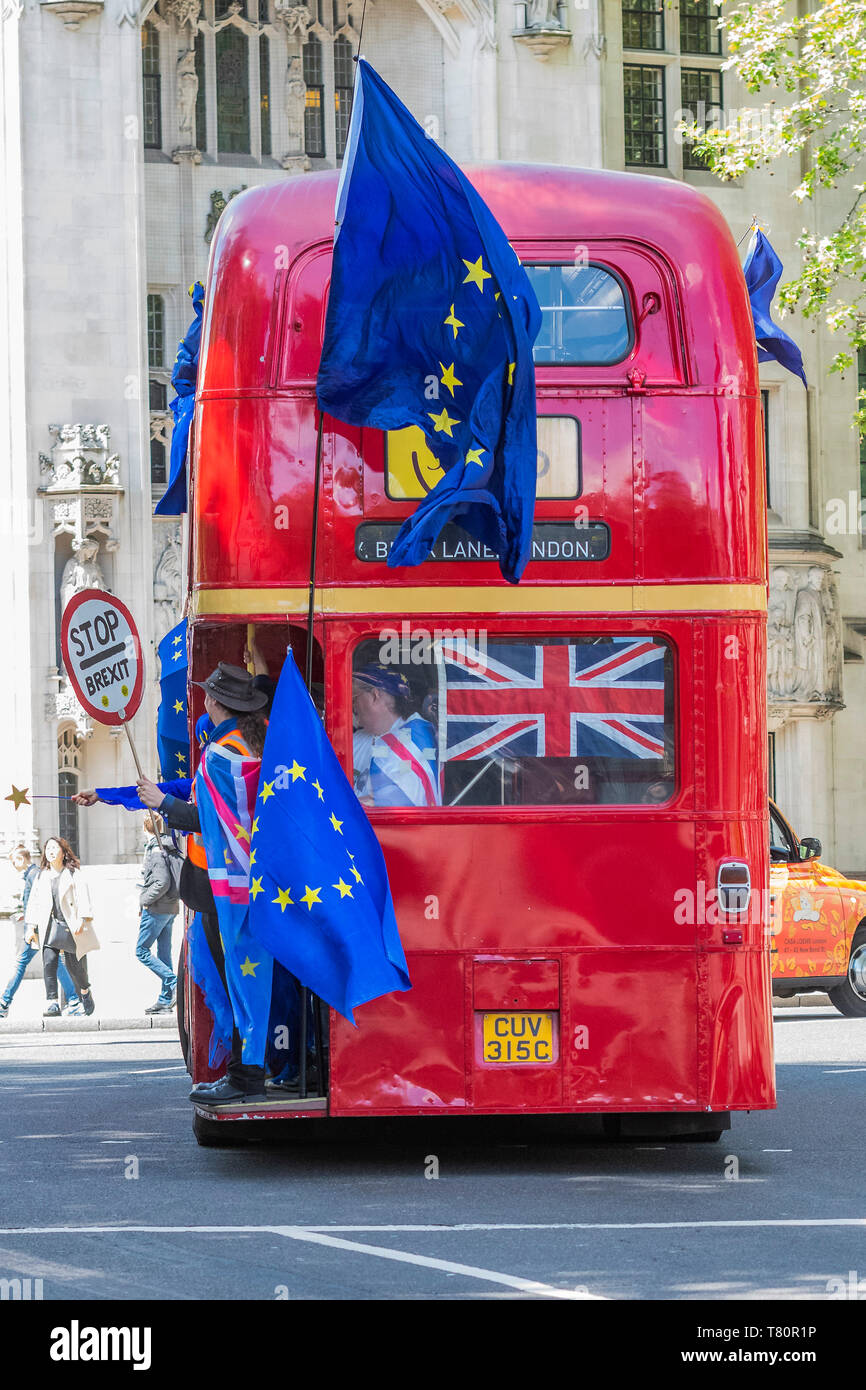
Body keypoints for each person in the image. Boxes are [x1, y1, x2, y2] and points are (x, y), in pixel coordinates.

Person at [138, 662, 269, 1105]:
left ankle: (245, 1075)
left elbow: (211, 822)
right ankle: (249, 1068)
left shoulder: (220, 755)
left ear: (215, 703)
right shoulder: (251, 741)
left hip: (224, 888)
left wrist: (164, 804)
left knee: (237, 978)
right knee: (247, 977)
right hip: (247, 885)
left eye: (208, 696)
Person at [0, 847, 81, 1018]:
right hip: (39, 927)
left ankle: (4, 1003)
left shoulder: (33, 874)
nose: (13, 865)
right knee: (55, 963)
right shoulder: (34, 873)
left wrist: (30, 925)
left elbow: (38, 902)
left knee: (22, 963)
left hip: (36, 929)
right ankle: (74, 1001)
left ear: (22, 859)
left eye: (14, 861)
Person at [24, 837, 97, 1017]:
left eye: (55, 848)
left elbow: (83, 897)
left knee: (75, 967)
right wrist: (31, 926)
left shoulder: (73, 873)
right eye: (48, 848)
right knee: (49, 962)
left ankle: (85, 991)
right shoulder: (41, 875)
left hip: (70, 926)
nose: (51, 851)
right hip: (48, 926)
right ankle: (52, 1002)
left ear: (63, 852)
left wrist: (83, 919)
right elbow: (33, 902)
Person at [352, 664, 440, 808]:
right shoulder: (356, 739)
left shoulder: (415, 740)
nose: (353, 705)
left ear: (375, 695)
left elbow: (397, 803)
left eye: (355, 698)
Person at [137, 813, 180, 1015]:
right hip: (170, 908)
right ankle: (165, 999)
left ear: (145, 827)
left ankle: (173, 982)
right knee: (163, 953)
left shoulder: (155, 849)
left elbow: (161, 881)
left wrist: (144, 900)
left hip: (156, 908)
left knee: (141, 951)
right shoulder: (167, 845)